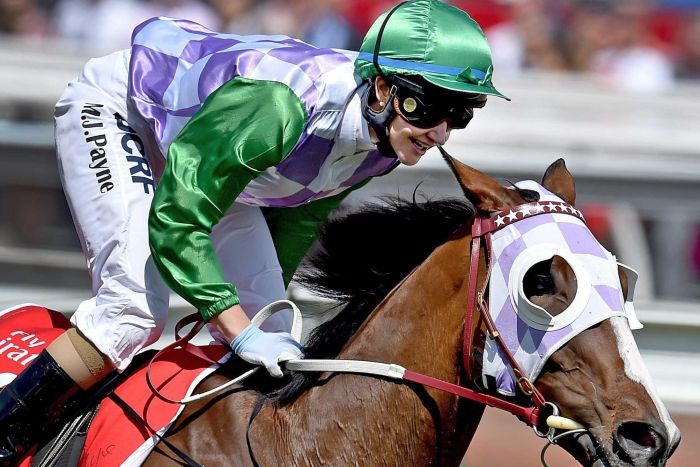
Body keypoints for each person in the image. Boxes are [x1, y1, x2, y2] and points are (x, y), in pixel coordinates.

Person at [0, 0, 508, 461]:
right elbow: (178, 218)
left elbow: (299, 218)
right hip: (124, 116)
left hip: (208, 154)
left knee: (274, 328)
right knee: (132, 313)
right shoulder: (277, 109)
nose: (439, 132)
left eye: (458, 115)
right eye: (430, 108)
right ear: (381, 87)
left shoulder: (384, 143)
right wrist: (231, 322)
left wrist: (251, 324)